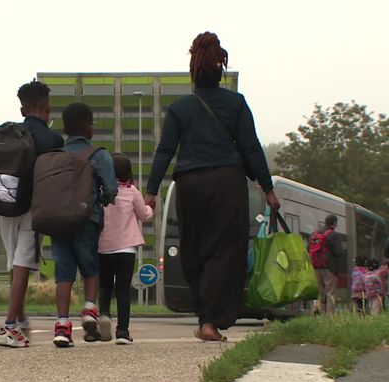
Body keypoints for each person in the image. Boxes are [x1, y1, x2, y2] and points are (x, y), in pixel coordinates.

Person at [144, 32, 280, 342]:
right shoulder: (236, 104)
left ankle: (205, 316)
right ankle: (210, 320)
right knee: (224, 251)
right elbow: (251, 148)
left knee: (193, 250)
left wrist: (151, 191)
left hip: (190, 184)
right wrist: (268, 189)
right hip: (227, 183)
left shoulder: (180, 108)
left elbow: (165, 151)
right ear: (221, 71)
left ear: (193, 73)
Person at [0, 79, 63, 347]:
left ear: (22, 110)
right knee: (23, 264)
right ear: (47, 109)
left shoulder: (5, 131)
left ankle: (20, 322)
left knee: (15, 263)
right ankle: (10, 325)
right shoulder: (52, 138)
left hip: (3, 203)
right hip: (33, 208)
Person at [51, 102, 118, 348]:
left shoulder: (54, 154)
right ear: (89, 127)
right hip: (86, 220)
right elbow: (111, 192)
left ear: (65, 128)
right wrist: (100, 198)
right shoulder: (98, 154)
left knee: (63, 275)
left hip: (57, 221)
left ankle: (61, 327)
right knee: (90, 267)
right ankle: (90, 309)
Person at [97, 153, 154, 344]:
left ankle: (104, 314)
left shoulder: (100, 191)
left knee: (104, 286)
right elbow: (144, 215)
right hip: (126, 249)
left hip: (103, 247)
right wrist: (150, 208)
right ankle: (122, 332)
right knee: (123, 290)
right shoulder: (132, 191)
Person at [310, 214, 342, 315]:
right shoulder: (333, 234)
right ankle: (330, 316)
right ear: (334, 223)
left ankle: (319, 311)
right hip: (329, 268)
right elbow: (338, 252)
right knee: (331, 293)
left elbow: (309, 249)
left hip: (316, 267)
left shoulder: (314, 234)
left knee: (321, 292)